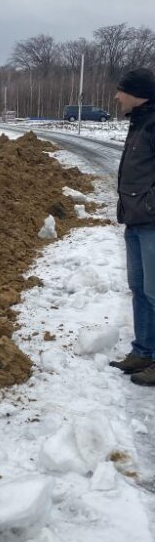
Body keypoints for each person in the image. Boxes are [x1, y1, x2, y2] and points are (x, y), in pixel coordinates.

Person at [109, 68, 155, 386]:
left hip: (152, 223)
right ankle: (144, 351)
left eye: (121, 90)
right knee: (139, 289)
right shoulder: (139, 122)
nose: (117, 96)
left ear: (137, 94)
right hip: (135, 223)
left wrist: (150, 205)